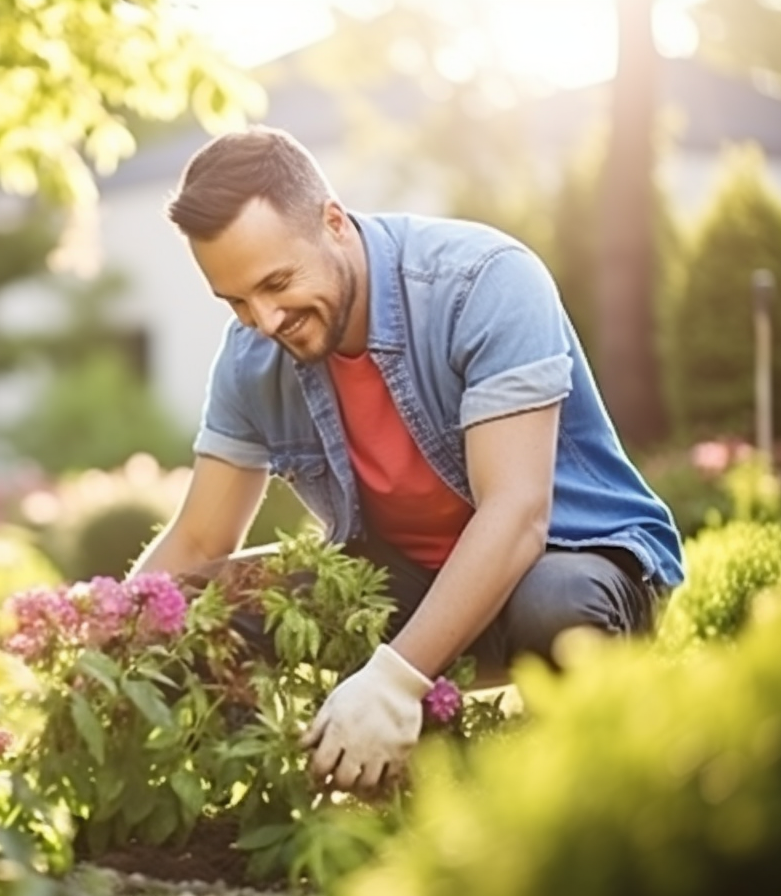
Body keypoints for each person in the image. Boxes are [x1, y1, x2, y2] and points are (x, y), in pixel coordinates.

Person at [128, 125, 685, 793]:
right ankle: (274, 797)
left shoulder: (482, 282)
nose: (266, 320)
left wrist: (394, 680)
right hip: (409, 586)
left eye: (278, 282)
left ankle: (578, 796)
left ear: (334, 222)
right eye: (238, 301)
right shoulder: (252, 357)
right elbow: (198, 537)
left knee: (555, 602)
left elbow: (517, 513)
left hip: (564, 566)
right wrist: (97, 634)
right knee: (207, 603)